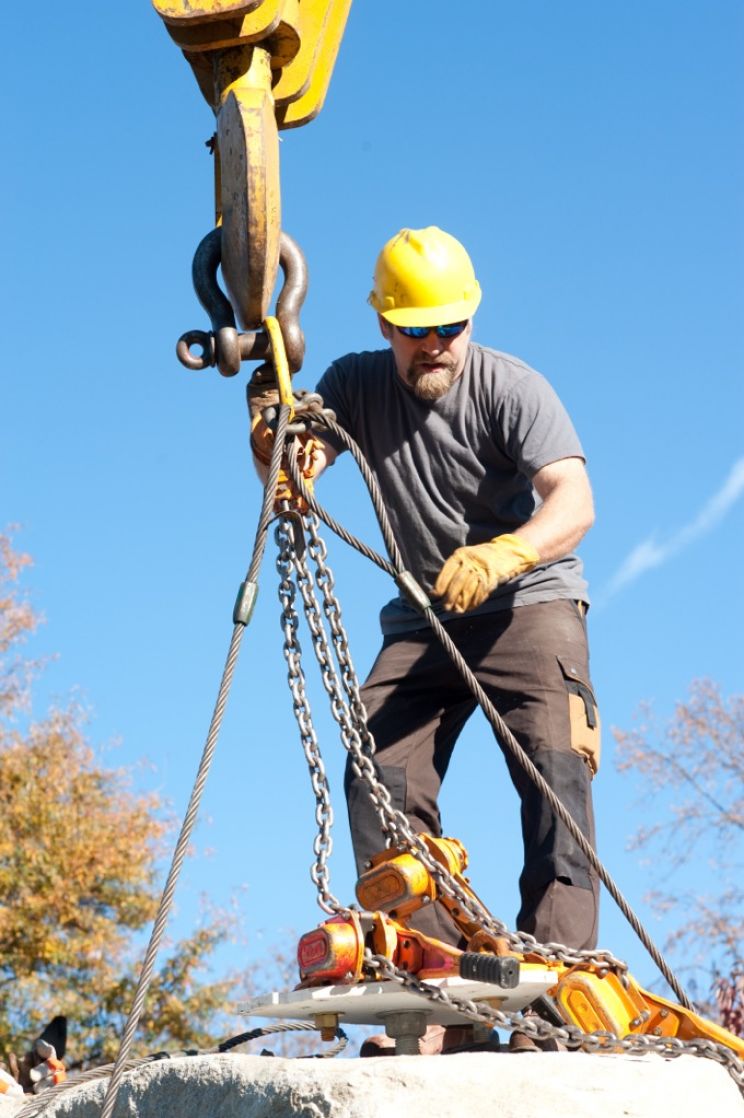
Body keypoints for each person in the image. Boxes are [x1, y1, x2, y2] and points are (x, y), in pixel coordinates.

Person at [252, 226, 601, 1051]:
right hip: (426, 616)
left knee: (557, 775)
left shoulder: (514, 389)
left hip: (528, 604)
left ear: (471, 320)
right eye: (418, 330)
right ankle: (442, 985)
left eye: (451, 326)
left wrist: (508, 550)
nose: (436, 345)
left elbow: (574, 500)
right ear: (385, 326)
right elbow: (295, 472)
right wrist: (275, 440)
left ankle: (558, 1000)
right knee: (378, 771)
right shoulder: (353, 386)